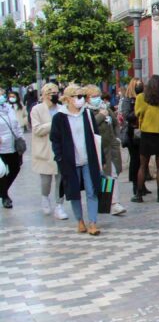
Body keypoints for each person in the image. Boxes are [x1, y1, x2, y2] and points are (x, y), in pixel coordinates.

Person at [50, 85, 102, 235]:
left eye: (82, 96)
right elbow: (55, 140)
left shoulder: (87, 114)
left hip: (88, 159)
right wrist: (59, 157)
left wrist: (100, 158)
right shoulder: (59, 117)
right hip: (70, 161)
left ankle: (92, 223)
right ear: (68, 99)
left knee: (92, 190)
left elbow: (96, 136)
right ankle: (80, 220)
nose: (80, 99)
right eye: (77, 96)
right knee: (74, 192)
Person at [84, 85, 126, 216]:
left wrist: (117, 138)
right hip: (97, 149)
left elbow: (116, 124)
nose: (97, 99)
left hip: (110, 148)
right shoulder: (86, 111)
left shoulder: (106, 108)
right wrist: (101, 116)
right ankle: (107, 203)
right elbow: (90, 125)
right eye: (93, 96)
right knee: (103, 176)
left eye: (98, 96)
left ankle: (113, 203)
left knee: (111, 174)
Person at [30, 83, 68, 219]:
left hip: (59, 149)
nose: (55, 95)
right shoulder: (37, 109)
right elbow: (37, 129)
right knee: (46, 180)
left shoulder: (62, 108)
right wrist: (54, 123)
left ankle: (59, 205)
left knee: (60, 179)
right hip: (44, 150)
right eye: (52, 93)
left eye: (57, 92)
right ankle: (45, 198)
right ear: (45, 95)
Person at [132, 75, 159, 203]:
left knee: (143, 165)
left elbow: (138, 113)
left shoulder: (141, 97)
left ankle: (139, 194)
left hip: (147, 133)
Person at [119, 78, 146, 197]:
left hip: (143, 131)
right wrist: (138, 112)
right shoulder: (128, 100)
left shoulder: (144, 98)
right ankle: (136, 184)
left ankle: (142, 184)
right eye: (138, 85)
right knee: (135, 160)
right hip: (132, 133)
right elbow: (127, 115)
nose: (140, 86)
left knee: (142, 160)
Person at [0, 88, 24, 209]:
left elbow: (16, 124)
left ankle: (2, 191)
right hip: (1, 148)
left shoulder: (8, 108)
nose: (3, 96)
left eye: (3, 94)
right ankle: (5, 197)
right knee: (2, 172)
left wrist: (20, 138)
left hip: (13, 145)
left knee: (15, 168)